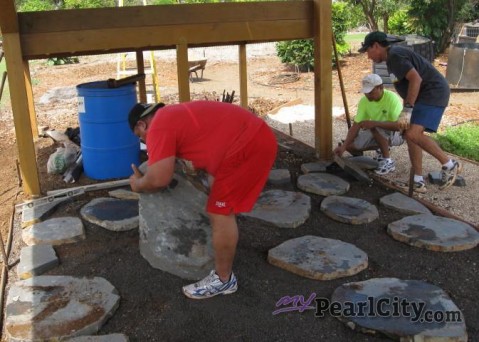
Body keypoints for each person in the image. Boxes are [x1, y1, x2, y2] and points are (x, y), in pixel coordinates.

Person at [127, 100, 277, 299]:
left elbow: (159, 179)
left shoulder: (158, 125)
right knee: (218, 196)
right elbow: (204, 144)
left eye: (141, 137)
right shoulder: (174, 115)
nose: (146, 142)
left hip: (247, 146)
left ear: (141, 125)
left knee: (219, 211)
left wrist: (138, 184)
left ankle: (224, 280)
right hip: (249, 140)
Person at [358, 31, 462, 192]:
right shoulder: (392, 59)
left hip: (432, 93)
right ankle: (418, 181)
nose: (368, 56)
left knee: (413, 134)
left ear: (376, 46)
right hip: (423, 96)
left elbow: (416, 79)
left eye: (368, 51)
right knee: (409, 134)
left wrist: (407, 109)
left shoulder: (395, 55)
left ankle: (449, 165)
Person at [334, 73, 403, 175]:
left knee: (376, 127)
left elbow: (399, 126)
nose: (367, 95)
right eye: (365, 92)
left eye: (370, 92)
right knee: (350, 145)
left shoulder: (392, 99)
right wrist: (344, 147)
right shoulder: (364, 101)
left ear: (380, 88)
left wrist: (374, 123)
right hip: (376, 130)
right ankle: (381, 148)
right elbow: (356, 126)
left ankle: (388, 161)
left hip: (398, 134)